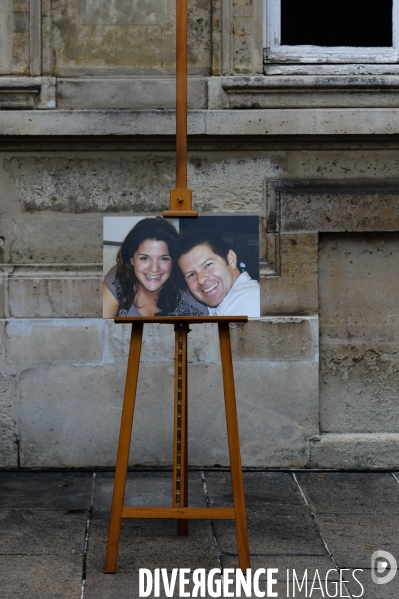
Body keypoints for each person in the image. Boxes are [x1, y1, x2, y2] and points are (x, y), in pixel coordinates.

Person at [103, 217, 207, 317]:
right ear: (132, 259)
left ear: (174, 262)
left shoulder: (193, 305)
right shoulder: (120, 276)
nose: (154, 269)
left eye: (164, 258)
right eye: (144, 258)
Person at [177, 230, 260, 317]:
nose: (201, 279)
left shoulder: (248, 302)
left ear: (231, 259)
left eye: (207, 265)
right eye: (191, 274)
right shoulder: (226, 303)